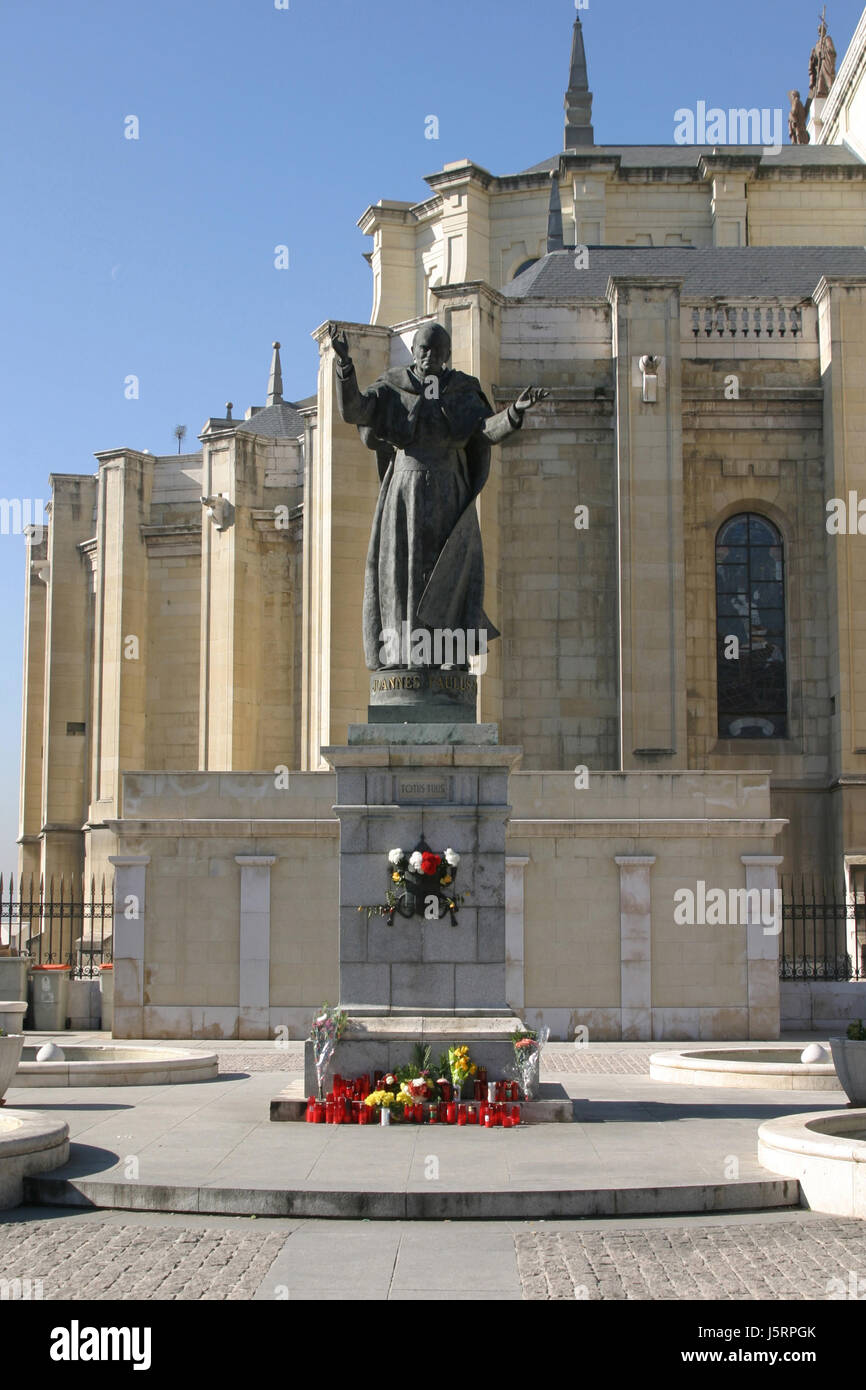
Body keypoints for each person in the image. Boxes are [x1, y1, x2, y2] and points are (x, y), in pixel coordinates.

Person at [329, 321, 548, 670]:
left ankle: (448, 659)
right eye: (423, 349)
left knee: (449, 571)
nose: (430, 355)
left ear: (448, 356)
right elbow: (354, 410)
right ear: (414, 352)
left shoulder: (462, 389)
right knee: (403, 572)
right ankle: (403, 656)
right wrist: (344, 366)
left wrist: (513, 414)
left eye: (437, 350)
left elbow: (484, 431)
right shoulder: (393, 386)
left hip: (449, 492)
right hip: (405, 493)